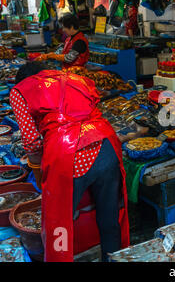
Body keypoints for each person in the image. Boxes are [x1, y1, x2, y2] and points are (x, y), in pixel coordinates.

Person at [9, 62, 147, 262]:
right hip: (106, 143)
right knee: (109, 217)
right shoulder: (74, 78)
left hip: (69, 152)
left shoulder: (19, 91)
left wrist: (40, 176)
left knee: (58, 223)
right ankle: (114, 258)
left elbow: (31, 142)